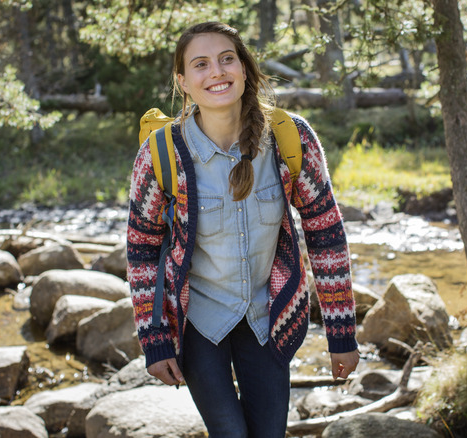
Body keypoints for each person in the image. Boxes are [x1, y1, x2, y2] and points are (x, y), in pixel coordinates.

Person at [127, 21, 359, 438]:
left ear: (245, 68)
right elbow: (142, 249)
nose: (216, 72)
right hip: (198, 323)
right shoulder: (161, 154)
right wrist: (154, 338)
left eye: (226, 59)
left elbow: (325, 232)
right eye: (200, 64)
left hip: (268, 319)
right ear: (183, 81)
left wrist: (341, 332)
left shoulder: (292, 138)